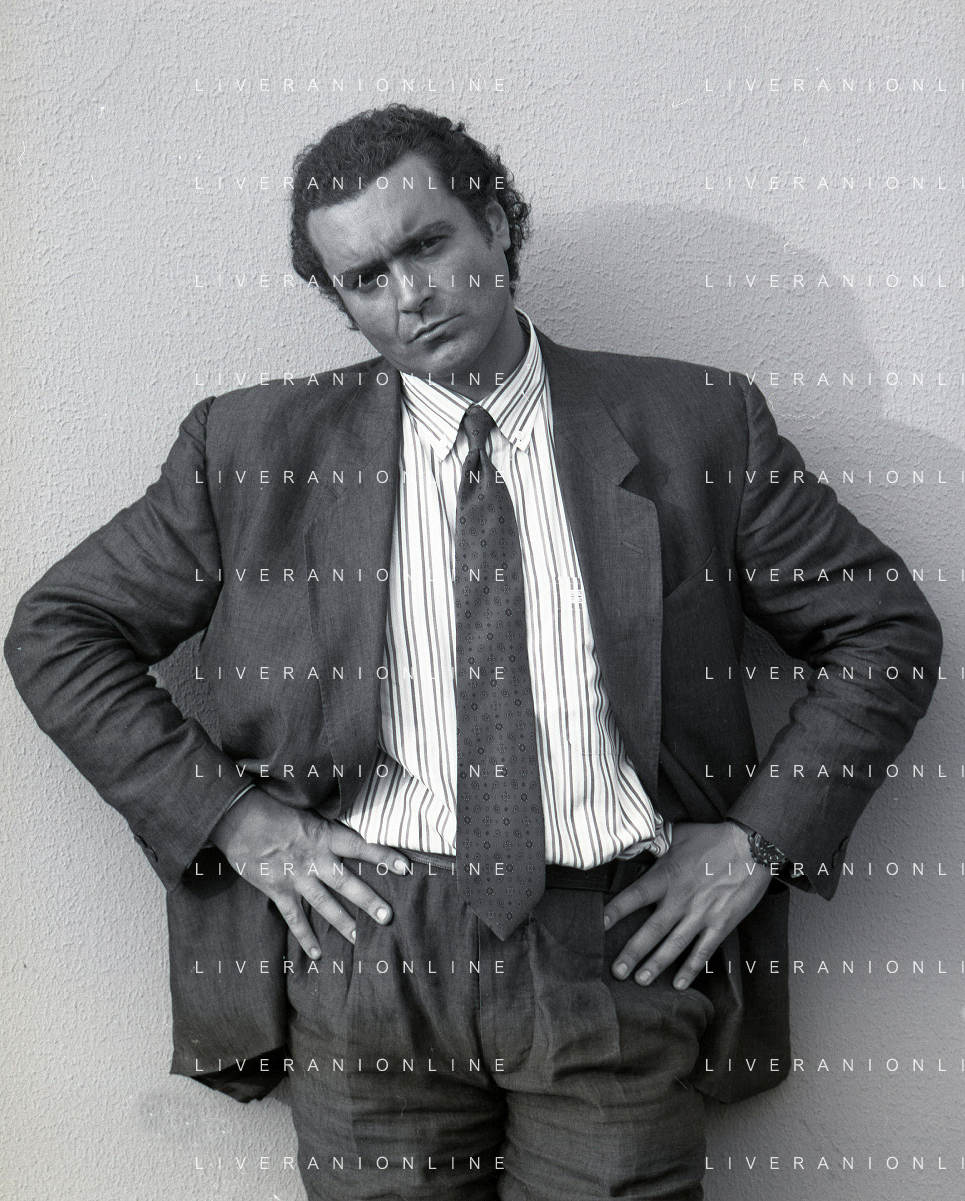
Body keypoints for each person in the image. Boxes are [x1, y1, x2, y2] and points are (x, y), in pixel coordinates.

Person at [5, 104, 942, 1200]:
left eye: (427, 244)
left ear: (494, 224)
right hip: (368, 955)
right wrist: (237, 822)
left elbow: (884, 630)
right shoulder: (251, 449)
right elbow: (59, 630)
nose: (408, 294)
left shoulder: (696, 421)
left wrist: (755, 841)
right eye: (365, 279)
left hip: (615, 949)